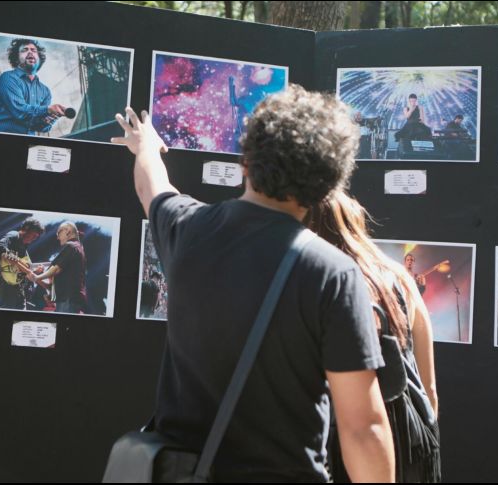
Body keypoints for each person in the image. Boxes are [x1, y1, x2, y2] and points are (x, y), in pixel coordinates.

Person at [111, 85, 395, 482]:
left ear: (246, 160)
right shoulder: (332, 274)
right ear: (329, 183)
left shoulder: (187, 228)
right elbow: (363, 429)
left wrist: (145, 145)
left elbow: (151, 186)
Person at [307, 190, 441, 483]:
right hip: (405, 441)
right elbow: (428, 387)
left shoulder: (316, 282)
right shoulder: (400, 278)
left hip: (340, 443)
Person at [0, 38, 67, 135]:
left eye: (33, 50)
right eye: (24, 50)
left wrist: (50, 119)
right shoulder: (7, 78)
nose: (30, 52)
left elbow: (40, 127)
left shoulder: (45, 91)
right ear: (16, 58)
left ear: (39, 59)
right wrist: (48, 109)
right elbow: (20, 111)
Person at [28, 221, 87, 314]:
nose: (57, 237)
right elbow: (55, 282)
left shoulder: (71, 246)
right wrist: (38, 279)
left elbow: (56, 269)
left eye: (58, 233)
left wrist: (37, 277)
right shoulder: (77, 247)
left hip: (68, 300)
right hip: (67, 300)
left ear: (67, 231)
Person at [0, 217, 44, 310]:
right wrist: (24, 267)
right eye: (34, 235)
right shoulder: (14, 235)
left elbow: (21, 269)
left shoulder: (24, 246)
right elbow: (0, 246)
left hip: (18, 285)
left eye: (36, 237)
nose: (34, 239)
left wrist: (34, 271)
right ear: (26, 228)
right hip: (6, 284)